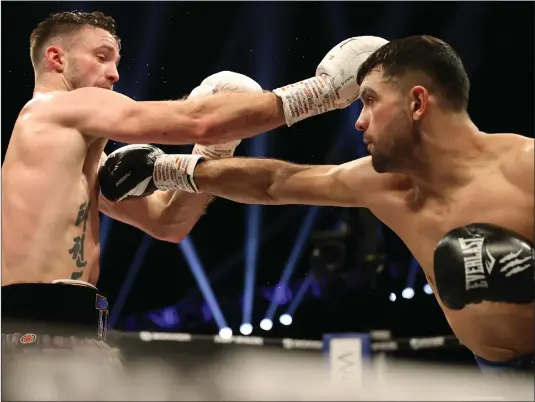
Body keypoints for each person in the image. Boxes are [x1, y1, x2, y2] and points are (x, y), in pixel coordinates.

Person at [101, 35, 534, 373]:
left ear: (417, 102)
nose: (358, 120)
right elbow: (275, 182)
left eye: (369, 100)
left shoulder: (525, 169)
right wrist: (166, 168)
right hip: (494, 373)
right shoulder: (384, 184)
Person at [2, 8, 387, 347]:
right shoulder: (54, 109)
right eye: (101, 58)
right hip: (34, 325)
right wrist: (320, 93)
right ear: (56, 58)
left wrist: (211, 153)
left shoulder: (76, 160)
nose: (115, 73)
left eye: (117, 60)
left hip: (71, 325)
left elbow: (169, 223)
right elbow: (197, 120)